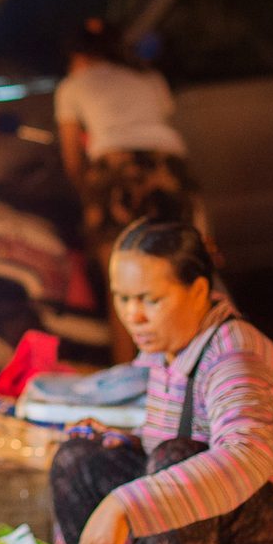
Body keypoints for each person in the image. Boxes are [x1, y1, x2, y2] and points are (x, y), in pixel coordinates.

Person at [50, 220, 273, 544]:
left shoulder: (233, 355)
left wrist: (124, 503)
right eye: (122, 298)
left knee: (179, 460)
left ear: (198, 291)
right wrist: (128, 440)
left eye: (149, 300)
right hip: (219, 532)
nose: (132, 315)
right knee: (79, 459)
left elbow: (246, 456)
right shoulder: (169, 351)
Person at [56, 19, 198, 363]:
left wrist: (90, 199)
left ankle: (128, 376)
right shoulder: (149, 78)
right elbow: (155, 125)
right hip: (169, 170)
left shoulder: (73, 85)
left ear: (78, 56)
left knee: (121, 284)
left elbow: (73, 163)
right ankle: (191, 368)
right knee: (179, 275)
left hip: (116, 173)